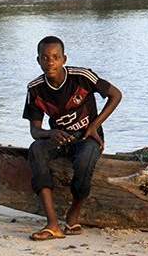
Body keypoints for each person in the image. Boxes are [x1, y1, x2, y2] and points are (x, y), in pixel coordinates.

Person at [22, 35, 122, 241]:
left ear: (64, 59)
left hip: (87, 136)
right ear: (38, 60)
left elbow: (116, 95)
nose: (50, 62)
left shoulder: (82, 76)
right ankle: (52, 224)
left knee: (85, 160)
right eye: (45, 57)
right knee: (36, 149)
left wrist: (95, 125)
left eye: (55, 57)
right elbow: (35, 131)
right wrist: (51, 133)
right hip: (59, 139)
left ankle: (74, 212)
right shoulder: (35, 89)